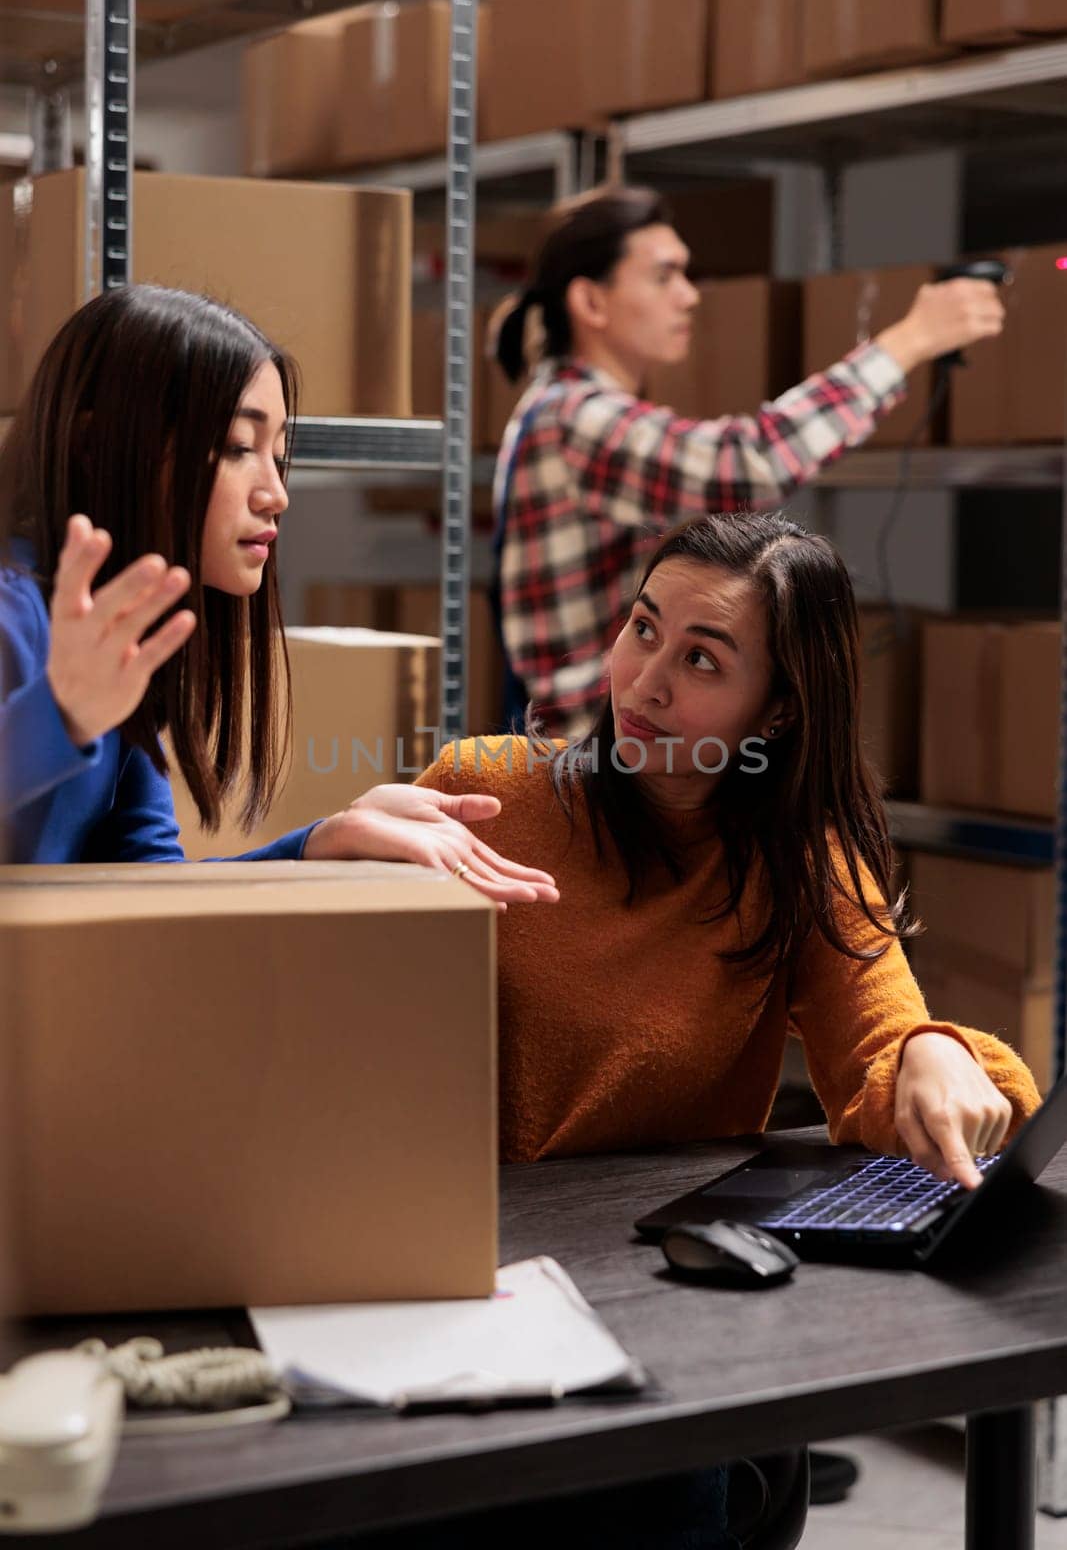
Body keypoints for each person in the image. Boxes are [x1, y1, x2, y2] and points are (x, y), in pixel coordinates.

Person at [420, 510, 1039, 1176]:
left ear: (779, 711)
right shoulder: (482, 793)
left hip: (646, 1252)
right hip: (434, 1223)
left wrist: (936, 1052)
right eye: (643, 628)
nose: (644, 683)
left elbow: (879, 1064)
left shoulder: (798, 862)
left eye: (699, 659)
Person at [0, 283, 558, 909]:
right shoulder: (15, 612)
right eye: (240, 448)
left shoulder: (125, 638)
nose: (276, 494)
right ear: (93, 446)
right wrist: (61, 715)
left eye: (280, 454)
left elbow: (145, 885)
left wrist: (324, 841)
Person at [491, 185, 1007, 740]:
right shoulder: (576, 417)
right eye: (664, 276)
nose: (689, 296)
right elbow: (746, 465)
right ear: (591, 302)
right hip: (604, 760)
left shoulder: (560, 409)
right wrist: (912, 340)